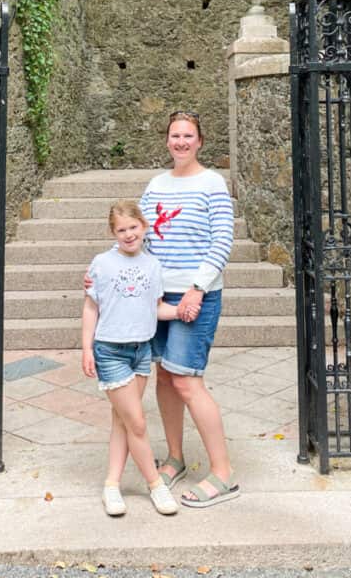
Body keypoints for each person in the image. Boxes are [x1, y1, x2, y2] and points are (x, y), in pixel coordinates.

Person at [140, 109, 239, 508]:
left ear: (200, 141)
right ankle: (175, 457)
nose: (180, 141)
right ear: (167, 140)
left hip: (195, 297)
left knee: (187, 381)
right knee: (164, 377)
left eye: (188, 135)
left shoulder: (212, 183)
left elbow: (221, 241)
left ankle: (223, 474)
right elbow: (141, 238)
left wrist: (198, 288)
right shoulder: (156, 185)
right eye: (174, 135)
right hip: (157, 298)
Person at [81, 199, 197, 517]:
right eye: (122, 230)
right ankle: (155, 484)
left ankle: (111, 485)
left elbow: (156, 308)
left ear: (144, 227)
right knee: (139, 423)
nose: (129, 234)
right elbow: (91, 307)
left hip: (141, 350)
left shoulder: (152, 265)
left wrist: (180, 312)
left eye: (133, 227)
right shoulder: (101, 264)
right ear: (113, 233)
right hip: (110, 350)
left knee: (123, 421)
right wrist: (87, 348)